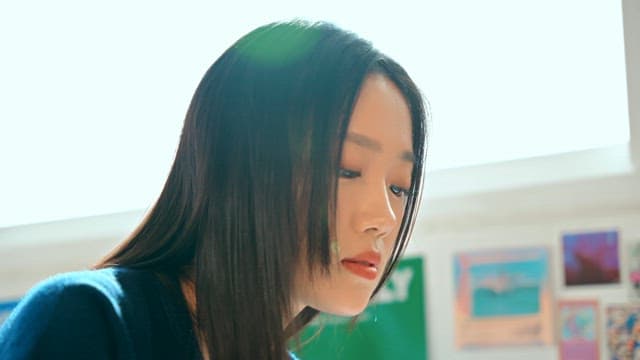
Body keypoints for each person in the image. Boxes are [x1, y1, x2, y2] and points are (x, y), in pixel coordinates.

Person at [0, 19, 427, 359]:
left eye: (399, 187)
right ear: (245, 162)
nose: (384, 219)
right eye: (346, 170)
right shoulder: (88, 320)